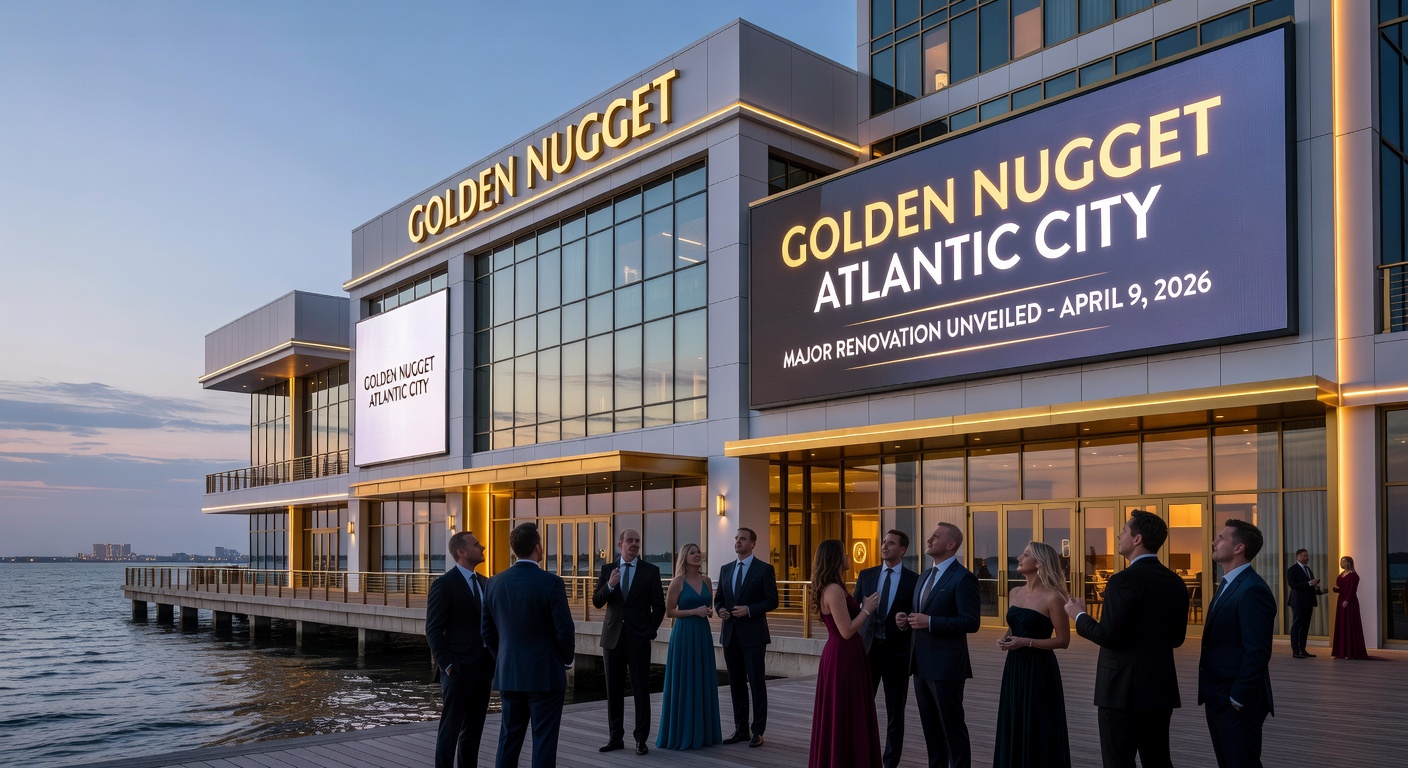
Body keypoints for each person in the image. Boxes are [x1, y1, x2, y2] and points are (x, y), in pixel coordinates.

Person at [1063, 510, 1189, 768]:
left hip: (1119, 691)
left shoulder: (1122, 581)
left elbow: (1107, 636)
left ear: (1137, 539)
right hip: (1159, 687)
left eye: (1123, 530)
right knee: (1158, 760)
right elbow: (1177, 639)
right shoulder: (1176, 582)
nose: (1119, 534)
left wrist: (1079, 616)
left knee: (1117, 761)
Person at [481, 522, 575, 768]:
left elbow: (487, 632)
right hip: (545, 674)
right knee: (543, 741)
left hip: (509, 673)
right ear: (537, 547)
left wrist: (503, 657)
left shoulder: (494, 582)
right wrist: (566, 659)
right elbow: (564, 630)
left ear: (514, 550)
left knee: (509, 738)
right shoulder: (551, 583)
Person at [897, 522, 980, 768]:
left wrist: (930, 621)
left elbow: (970, 622)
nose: (929, 540)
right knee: (931, 731)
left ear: (951, 544)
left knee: (951, 729)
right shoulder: (924, 575)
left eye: (935, 537)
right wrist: (907, 620)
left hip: (946, 667)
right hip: (920, 665)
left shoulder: (964, 578)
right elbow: (921, 614)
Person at [1199, 519, 1276, 768]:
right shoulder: (1228, 584)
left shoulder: (1253, 589)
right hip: (1218, 698)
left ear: (1238, 548)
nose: (1214, 541)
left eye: (1221, 538)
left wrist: (1237, 699)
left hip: (1237, 705)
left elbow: (1257, 651)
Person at [993, 541, 1071, 768]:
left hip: (1039, 671)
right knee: (1014, 719)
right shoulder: (1015, 592)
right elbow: (1015, 626)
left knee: (1037, 723)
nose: (1019, 557)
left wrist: (1025, 642)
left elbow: (1063, 641)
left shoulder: (1053, 597)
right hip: (1014, 667)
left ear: (1039, 563)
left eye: (1025, 554)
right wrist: (1007, 638)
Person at [808, 538, 882, 768]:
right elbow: (847, 630)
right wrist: (867, 610)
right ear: (835, 558)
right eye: (845, 553)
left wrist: (862, 608)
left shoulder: (835, 587)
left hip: (845, 654)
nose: (848, 557)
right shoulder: (833, 590)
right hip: (843, 655)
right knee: (845, 711)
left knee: (848, 710)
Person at [591, 528, 666, 755]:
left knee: (641, 690)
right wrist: (610, 585)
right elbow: (596, 601)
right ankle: (615, 738)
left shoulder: (651, 571)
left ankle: (640, 740)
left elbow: (659, 606)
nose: (634, 544)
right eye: (630, 541)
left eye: (638, 541)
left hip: (639, 639)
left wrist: (650, 631)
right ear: (619, 544)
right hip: (612, 639)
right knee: (613, 690)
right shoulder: (607, 570)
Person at [426, 531, 494, 768]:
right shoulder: (444, 585)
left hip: (484, 669)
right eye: (476, 545)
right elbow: (433, 630)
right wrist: (448, 665)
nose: (482, 547)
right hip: (457, 670)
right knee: (450, 730)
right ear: (461, 552)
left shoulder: (486, 582)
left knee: (473, 731)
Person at [854, 530, 919, 768]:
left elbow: (916, 614)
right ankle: (862, 755)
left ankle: (890, 761)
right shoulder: (867, 575)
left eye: (890, 543)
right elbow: (855, 610)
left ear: (902, 550)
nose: (884, 546)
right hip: (868, 651)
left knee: (895, 712)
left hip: (897, 653)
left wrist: (906, 620)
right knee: (862, 707)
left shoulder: (914, 580)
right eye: (884, 542)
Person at [714, 527, 779, 748]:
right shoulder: (725, 569)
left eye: (742, 539)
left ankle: (758, 731)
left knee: (757, 684)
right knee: (736, 684)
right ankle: (740, 729)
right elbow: (719, 599)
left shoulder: (764, 569)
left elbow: (772, 601)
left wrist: (749, 609)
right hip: (730, 635)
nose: (738, 542)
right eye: (736, 538)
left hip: (754, 636)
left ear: (752, 543)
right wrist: (720, 610)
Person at [656, 542, 722, 750]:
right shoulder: (678, 582)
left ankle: (704, 733)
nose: (697, 555)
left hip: (702, 634)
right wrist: (694, 612)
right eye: (692, 553)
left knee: (702, 678)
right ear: (684, 557)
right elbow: (670, 612)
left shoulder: (706, 580)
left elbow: (709, 607)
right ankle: (681, 732)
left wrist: (708, 612)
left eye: (698, 552)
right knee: (684, 680)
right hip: (684, 634)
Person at [1286, 548, 1323, 658]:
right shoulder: (1292, 569)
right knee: (1297, 625)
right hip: (1298, 602)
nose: (1307, 558)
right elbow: (1293, 585)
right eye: (1304, 556)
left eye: (1307, 556)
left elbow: (1309, 584)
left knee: (1305, 626)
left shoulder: (1307, 569)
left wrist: (1315, 586)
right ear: (1297, 556)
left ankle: (1303, 649)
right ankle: (1296, 651)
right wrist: (1309, 583)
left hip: (1308, 602)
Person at [1331, 556, 1369, 660]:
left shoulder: (1353, 576)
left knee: (1349, 624)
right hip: (1341, 601)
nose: (1341, 563)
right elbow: (1342, 588)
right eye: (1340, 561)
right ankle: (1341, 652)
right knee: (1341, 624)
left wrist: (1347, 600)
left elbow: (1352, 590)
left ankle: (1350, 652)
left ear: (1349, 563)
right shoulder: (1342, 574)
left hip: (1350, 602)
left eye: (1343, 562)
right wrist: (1336, 589)